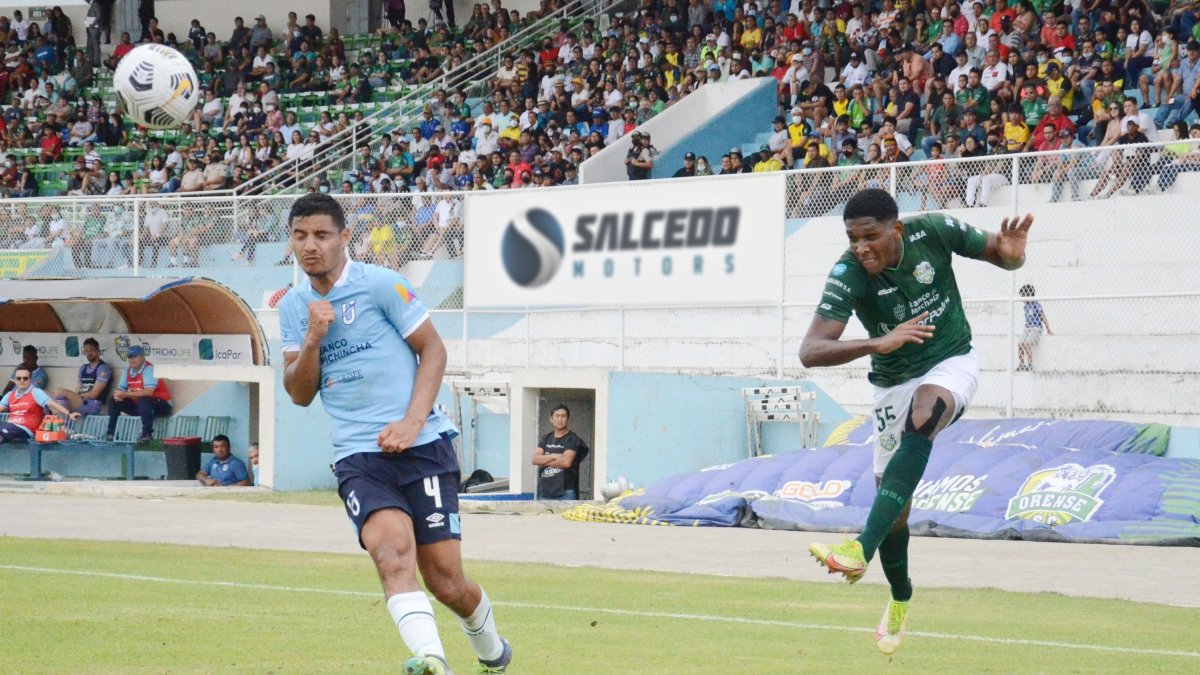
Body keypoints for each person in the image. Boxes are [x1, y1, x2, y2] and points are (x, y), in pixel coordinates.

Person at [278, 193, 511, 674]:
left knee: (447, 583)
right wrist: (312, 340)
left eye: (321, 235)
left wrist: (412, 421)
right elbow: (299, 393)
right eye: (300, 236)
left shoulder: (383, 285)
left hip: (423, 448)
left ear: (344, 238)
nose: (310, 246)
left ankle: (492, 651)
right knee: (391, 553)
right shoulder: (293, 307)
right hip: (359, 459)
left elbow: (434, 351)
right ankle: (431, 661)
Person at [800, 189, 1033, 656]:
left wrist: (1011, 259)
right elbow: (810, 351)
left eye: (870, 236)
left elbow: (1001, 253)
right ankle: (901, 596)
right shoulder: (848, 273)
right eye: (852, 238)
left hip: (952, 361)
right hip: (891, 383)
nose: (861, 247)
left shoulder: (934, 230)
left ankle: (859, 549)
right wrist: (878, 343)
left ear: (897, 229)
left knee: (925, 412)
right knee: (897, 510)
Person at [105, 345, 172, 443]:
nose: (132, 359)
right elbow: (121, 390)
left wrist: (126, 394)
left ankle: (146, 434)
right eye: (129, 357)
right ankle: (111, 433)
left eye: (135, 356)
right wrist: (118, 395)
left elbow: (149, 392)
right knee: (114, 400)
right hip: (142, 407)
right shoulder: (127, 370)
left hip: (161, 405)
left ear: (142, 357)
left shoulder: (149, 369)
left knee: (144, 399)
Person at [0, 366, 81, 443]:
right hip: (9, 427)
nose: (22, 380)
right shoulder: (10, 394)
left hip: (26, 430)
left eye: (25, 378)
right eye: (19, 378)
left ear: (31, 380)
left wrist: (69, 414)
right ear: (14, 380)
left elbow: (52, 404)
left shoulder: (35, 392)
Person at [532, 404, 590, 500]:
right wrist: (556, 456)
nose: (560, 419)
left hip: (566, 491)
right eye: (557, 416)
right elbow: (535, 460)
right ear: (551, 419)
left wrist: (544, 461)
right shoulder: (545, 438)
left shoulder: (572, 439)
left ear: (568, 419)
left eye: (563, 416)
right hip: (545, 490)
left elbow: (566, 463)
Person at [52, 337, 112, 415]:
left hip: (92, 404)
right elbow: (77, 389)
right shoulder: (83, 367)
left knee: (59, 391)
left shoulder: (103, 368)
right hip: (80, 401)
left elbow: (94, 394)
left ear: (98, 351)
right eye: (86, 351)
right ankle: (66, 421)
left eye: (92, 350)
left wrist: (75, 397)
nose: (89, 353)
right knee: (49, 398)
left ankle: (67, 418)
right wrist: (74, 397)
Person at [1017, 284, 1052, 371]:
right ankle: (1022, 365)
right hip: (1027, 328)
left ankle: (1030, 365)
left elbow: (1042, 317)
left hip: (1036, 328)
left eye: (1023, 296)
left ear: (1028, 295)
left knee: (1027, 344)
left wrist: (1048, 329)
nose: (1022, 298)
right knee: (1020, 344)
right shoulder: (1025, 306)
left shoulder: (1036, 304)